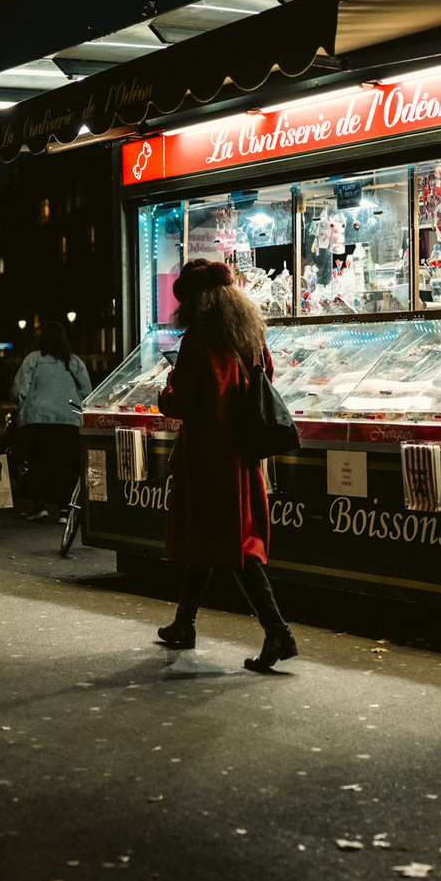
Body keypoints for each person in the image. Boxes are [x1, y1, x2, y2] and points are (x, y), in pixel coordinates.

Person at [155, 259, 297, 672]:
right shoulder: (249, 332)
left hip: (208, 455)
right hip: (243, 450)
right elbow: (266, 373)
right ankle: (184, 624)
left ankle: (277, 631)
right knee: (215, 536)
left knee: (235, 543)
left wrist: (164, 392)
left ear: (197, 301)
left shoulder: (199, 338)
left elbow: (184, 400)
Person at [10, 321, 91, 522]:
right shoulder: (75, 362)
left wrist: (19, 412)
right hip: (68, 422)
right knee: (63, 466)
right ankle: (64, 510)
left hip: (36, 421)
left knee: (37, 464)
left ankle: (40, 506)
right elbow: (87, 393)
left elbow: (20, 391)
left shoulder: (33, 360)